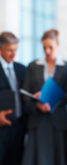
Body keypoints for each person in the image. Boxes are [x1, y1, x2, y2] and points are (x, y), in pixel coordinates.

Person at [22, 29, 67, 165]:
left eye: (50, 47)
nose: (47, 51)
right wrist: (37, 104)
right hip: (38, 121)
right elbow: (25, 93)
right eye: (44, 47)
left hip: (58, 122)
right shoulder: (33, 66)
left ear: (57, 46)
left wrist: (53, 101)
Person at [0, 32, 26, 165]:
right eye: (10, 50)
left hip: (19, 128)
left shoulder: (21, 69)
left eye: (15, 50)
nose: (13, 54)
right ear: (0, 49)